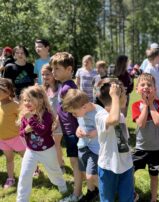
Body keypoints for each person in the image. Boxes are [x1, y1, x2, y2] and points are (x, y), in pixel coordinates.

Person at [16, 86, 67, 202]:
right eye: (25, 100)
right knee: (24, 175)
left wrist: (31, 120)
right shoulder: (26, 115)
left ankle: (63, 188)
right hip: (31, 151)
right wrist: (25, 130)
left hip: (47, 150)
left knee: (54, 172)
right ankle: (21, 199)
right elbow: (21, 132)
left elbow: (43, 131)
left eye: (30, 100)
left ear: (40, 99)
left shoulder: (46, 114)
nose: (26, 103)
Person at [50, 52, 83, 201]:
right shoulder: (63, 86)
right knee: (76, 161)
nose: (53, 72)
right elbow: (63, 108)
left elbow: (76, 110)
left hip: (73, 132)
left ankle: (77, 194)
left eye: (57, 68)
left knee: (75, 162)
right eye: (52, 68)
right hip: (69, 130)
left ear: (69, 69)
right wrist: (57, 119)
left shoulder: (67, 88)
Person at [95, 78, 134, 201]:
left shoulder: (120, 115)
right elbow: (113, 119)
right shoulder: (101, 116)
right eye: (123, 93)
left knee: (127, 198)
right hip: (107, 167)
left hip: (126, 165)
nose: (126, 96)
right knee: (107, 199)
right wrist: (115, 96)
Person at [63, 89, 103, 201]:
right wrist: (78, 130)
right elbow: (81, 125)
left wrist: (97, 132)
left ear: (84, 107)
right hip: (82, 146)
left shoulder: (99, 113)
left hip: (95, 150)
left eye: (74, 113)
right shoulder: (81, 111)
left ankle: (109, 193)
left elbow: (109, 127)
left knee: (92, 176)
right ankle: (92, 192)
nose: (74, 115)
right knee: (86, 174)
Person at [131, 73, 159, 202]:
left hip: (157, 149)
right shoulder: (136, 105)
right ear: (137, 89)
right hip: (141, 148)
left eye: (149, 85)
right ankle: (132, 193)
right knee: (129, 171)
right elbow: (141, 123)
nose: (146, 87)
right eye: (143, 84)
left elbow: (157, 121)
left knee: (154, 176)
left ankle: (153, 198)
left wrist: (151, 104)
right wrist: (145, 105)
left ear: (155, 89)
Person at [0, 78, 26, 189]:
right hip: (2, 139)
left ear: (9, 91)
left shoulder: (14, 104)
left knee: (25, 156)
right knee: (9, 159)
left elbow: (23, 117)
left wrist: (20, 124)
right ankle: (10, 178)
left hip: (16, 138)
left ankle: (34, 169)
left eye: (1, 90)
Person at [41, 64, 65, 172]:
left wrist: (57, 120)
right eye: (43, 74)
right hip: (49, 122)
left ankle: (60, 166)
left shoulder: (61, 88)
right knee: (53, 145)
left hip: (59, 121)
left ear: (54, 74)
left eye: (47, 74)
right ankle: (60, 161)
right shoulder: (44, 89)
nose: (45, 76)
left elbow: (64, 107)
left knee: (56, 144)